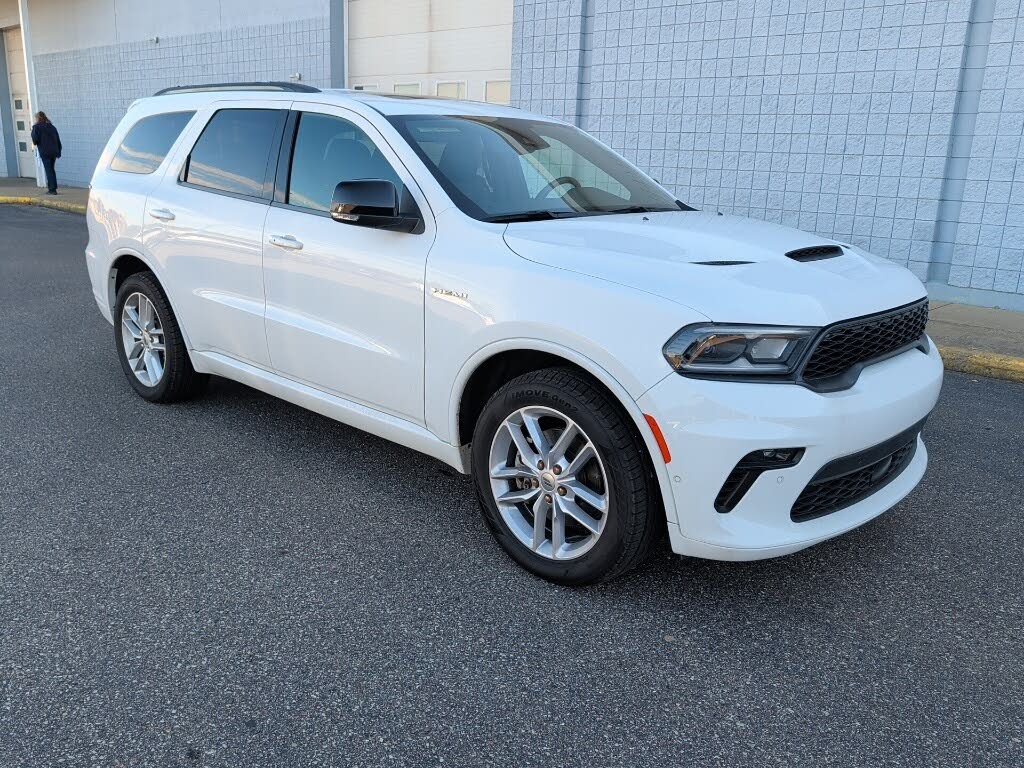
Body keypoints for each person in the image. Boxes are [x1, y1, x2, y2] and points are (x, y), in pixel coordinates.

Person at [31, 111, 62, 195]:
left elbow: (35, 141)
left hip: (45, 152)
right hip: (54, 152)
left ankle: (52, 189)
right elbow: (58, 140)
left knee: (49, 170)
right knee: (51, 169)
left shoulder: (36, 127)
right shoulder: (52, 127)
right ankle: (53, 187)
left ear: (37, 118)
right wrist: (59, 151)